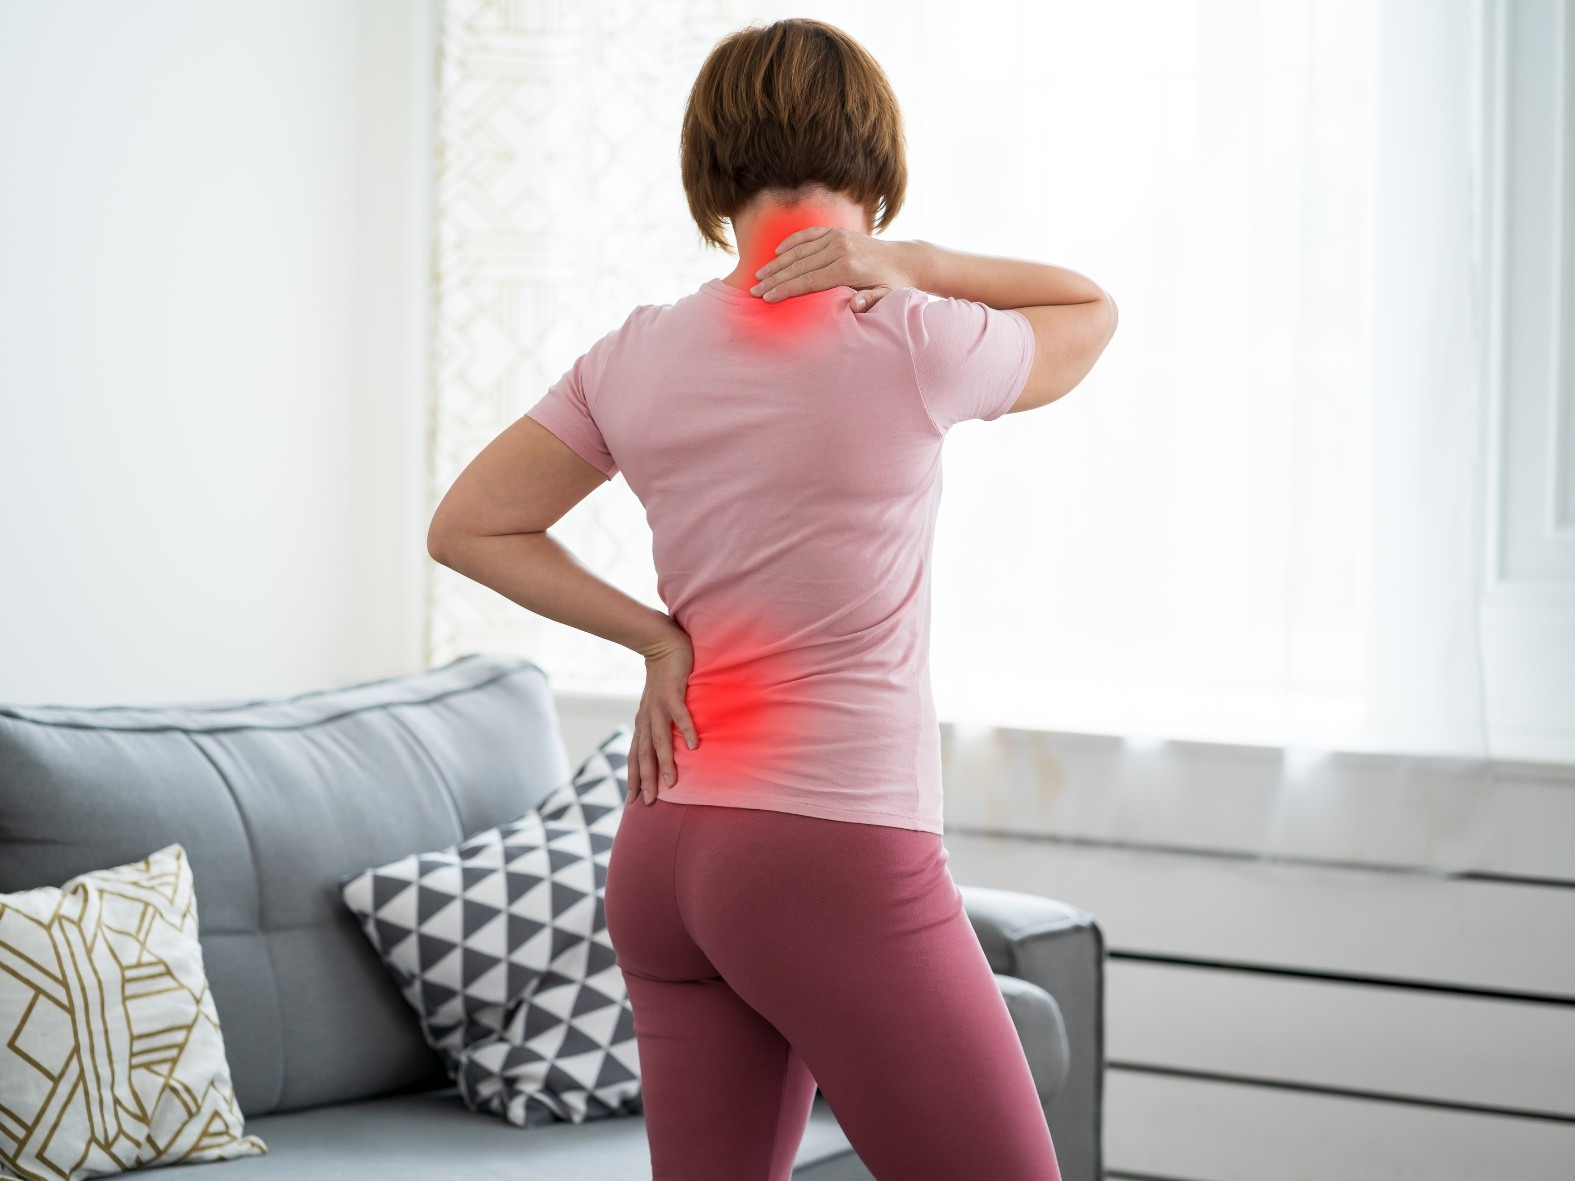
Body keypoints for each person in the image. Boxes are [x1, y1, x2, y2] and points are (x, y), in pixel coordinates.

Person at [426, 17, 1117, 1180]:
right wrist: (915, 262)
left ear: (709, 172)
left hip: (664, 850)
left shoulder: (634, 352)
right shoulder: (909, 335)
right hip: (829, 847)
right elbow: (1089, 310)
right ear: (878, 167)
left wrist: (656, 640)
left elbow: (469, 524)